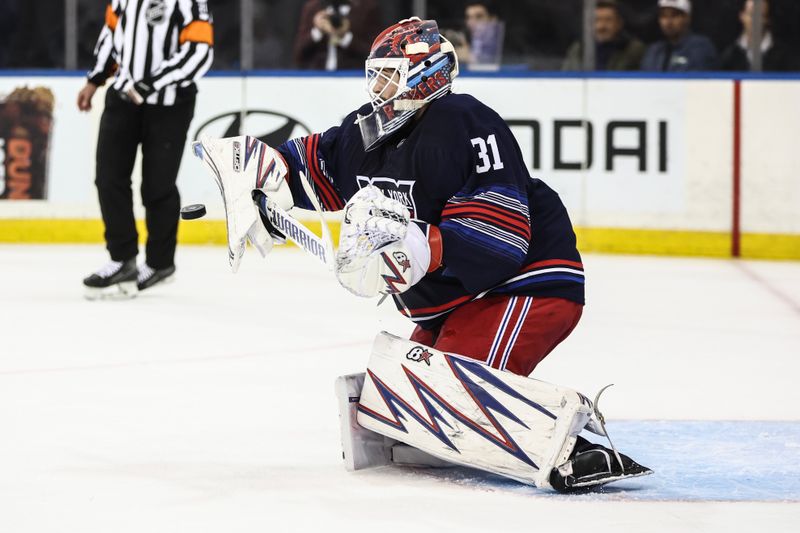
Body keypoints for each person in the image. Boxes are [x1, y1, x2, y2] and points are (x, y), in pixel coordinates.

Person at [206, 17, 651, 492]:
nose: (378, 86)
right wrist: (262, 168)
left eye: (389, 74)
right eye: (375, 74)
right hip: (461, 299)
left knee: (445, 395)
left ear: (425, 74)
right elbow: (315, 168)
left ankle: (576, 447)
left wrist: (426, 245)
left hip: (526, 283)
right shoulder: (368, 130)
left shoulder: (466, 123)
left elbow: (503, 238)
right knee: (401, 397)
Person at [77, 0, 214, 300]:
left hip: (170, 105)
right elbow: (111, 35)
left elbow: (199, 52)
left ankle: (159, 264)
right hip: (122, 98)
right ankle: (122, 259)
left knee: (157, 186)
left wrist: (152, 83)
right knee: (108, 178)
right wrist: (95, 79)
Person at [293, 0, 381, 70]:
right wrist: (318, 31)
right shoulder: (313, 7)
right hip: (316, 76)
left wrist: (344, 37)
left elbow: (374, 53)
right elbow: (299, 53)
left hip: (352, 77)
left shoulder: (366, 8)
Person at [562, 0, 645, 71]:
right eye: (596, 20)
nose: (601, 26)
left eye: (608, 20)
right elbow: (565, 78)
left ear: (619, 23)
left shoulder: (633, 50)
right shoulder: (578, 48)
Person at [720, 0, 800, 71]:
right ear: (742, 16)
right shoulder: (729, 57)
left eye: (760, 15)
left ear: (767, 20)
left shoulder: (786, 57)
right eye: (751, 15)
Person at [640, 0, 718, 71]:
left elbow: (700, 82)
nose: (668, 22)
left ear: (687, 17)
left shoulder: (700, 47)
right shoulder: (654, 51)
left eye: (674, 15)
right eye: (663, 16)